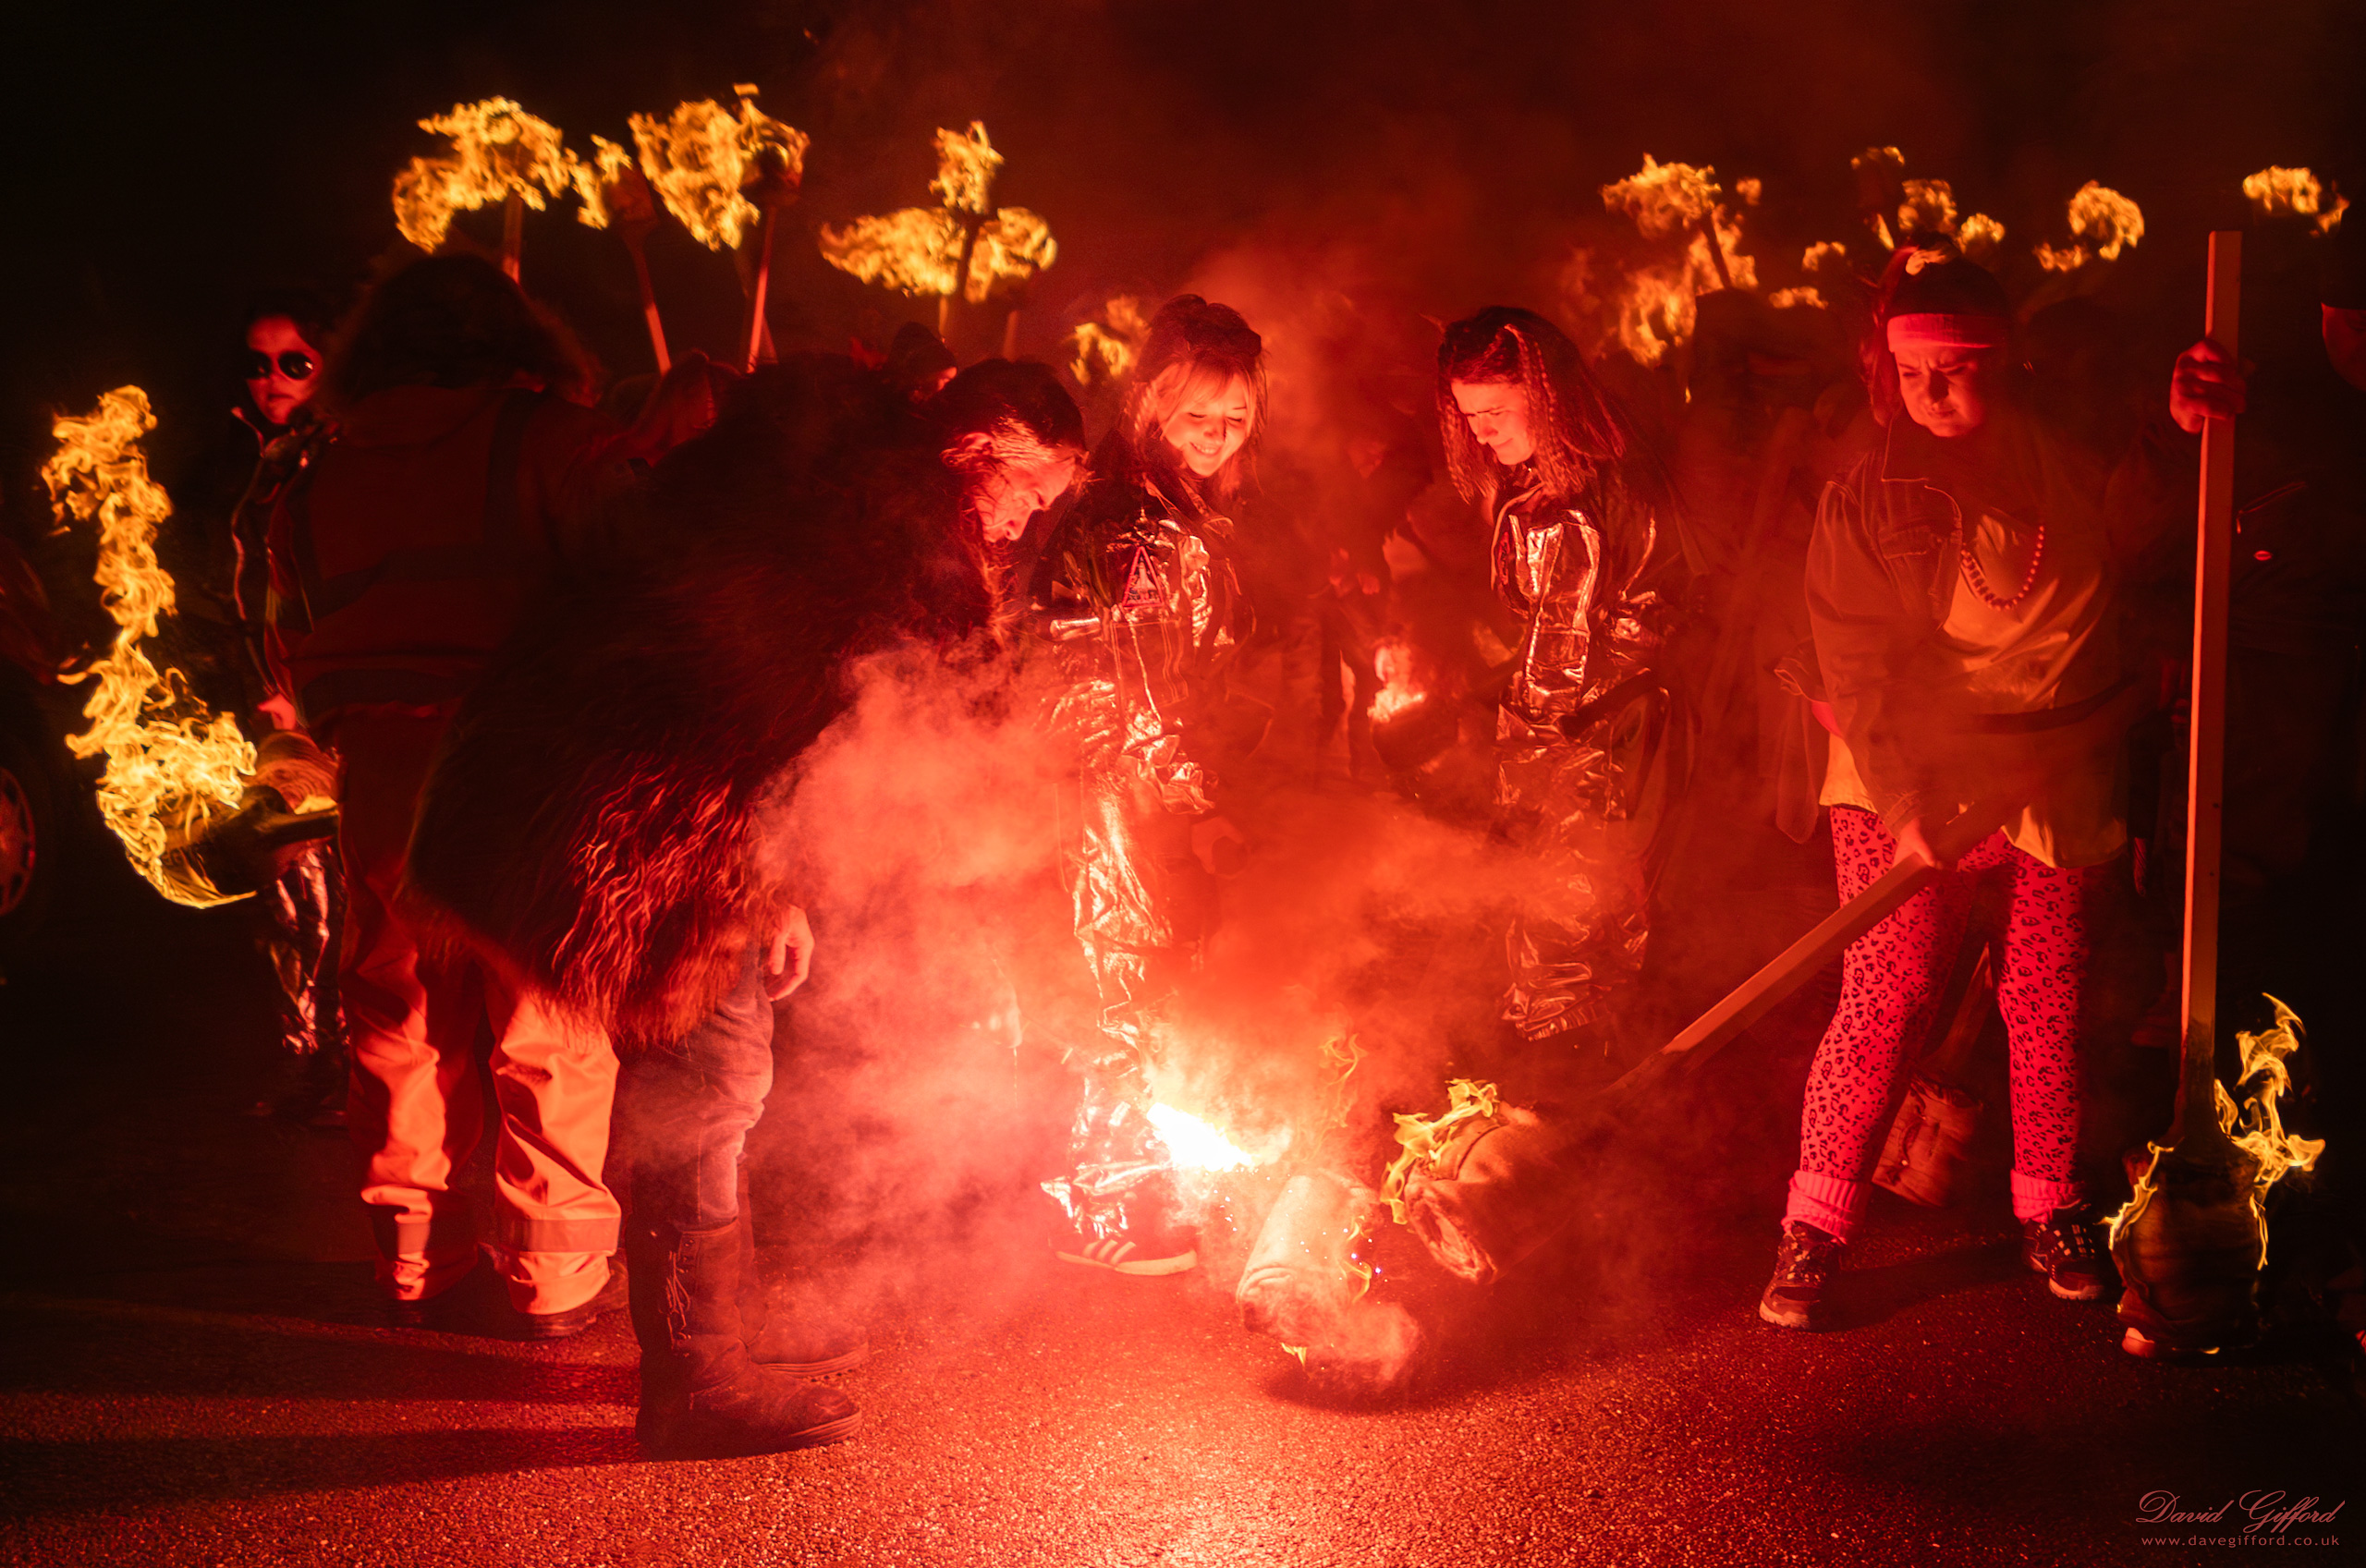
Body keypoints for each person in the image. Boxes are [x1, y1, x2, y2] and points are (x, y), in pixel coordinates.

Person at [404, 354, 1085, 1456]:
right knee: (709, 1081)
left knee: (723, 1073)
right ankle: (698, 1377)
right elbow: (784, 720)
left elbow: (797, 721)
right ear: (973, 454)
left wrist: (784, 885)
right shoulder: (877, 531)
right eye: (1028, 488)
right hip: (646, 814)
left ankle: (723, 1329)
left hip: (646, 798)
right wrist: (768, 880)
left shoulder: (828, 484)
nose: (1028, 518)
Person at [263, 254, 718, 1337]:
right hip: (520, 755)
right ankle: (553, 1279)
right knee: (544, 1017)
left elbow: (288, 629)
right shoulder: (547, 438)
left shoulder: (320, 472)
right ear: (512, 337)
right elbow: (644, 583)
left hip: (379, 767)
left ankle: (414, 1257)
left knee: (400, 1017)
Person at [1761, 241, 2141, 1330]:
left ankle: (2053, 1207)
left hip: (2061, 763)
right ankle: (1813, 1226)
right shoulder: (1868, 498)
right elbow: (1860, 666)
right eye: (1910, 371)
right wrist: (1906, 798)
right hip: (1912, 768)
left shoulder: (2075, 454)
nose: (1929, 393)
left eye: (1956, 369)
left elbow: (2163, 515)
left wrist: (2184, 415)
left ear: (2004, 360)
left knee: (2047, 997)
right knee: (1884, 995)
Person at [1029, 296, 1264, 1277]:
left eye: (1237, 418)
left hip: (1137, 784)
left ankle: (1135, 1191)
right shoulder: (1136, 523)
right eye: (1197, 416)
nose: (1217, 436)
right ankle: (1107, 1207)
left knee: (1142, 976)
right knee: (1121, 978)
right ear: (1150, 407)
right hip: (1117, 789)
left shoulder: (1167, 513)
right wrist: (1197, 800)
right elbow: (1136, 685)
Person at [1435, 306, 1689, 1055]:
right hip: (1622, 724)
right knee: (1605, 909)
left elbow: (1559, 660)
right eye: (1469, 416)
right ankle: (1602, 1055)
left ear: (1546, 395)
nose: (1482, 432)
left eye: (1497, 411)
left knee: (1563, 910)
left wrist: (1524, 767)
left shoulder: (1564, 508)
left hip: (1590, 736)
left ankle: (1561, 1066)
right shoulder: (1591, 473)